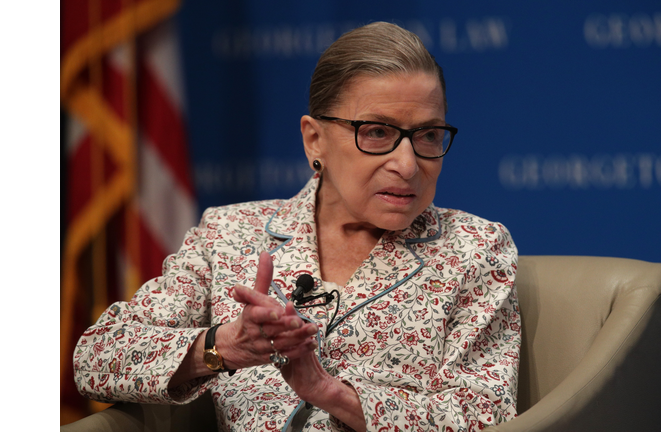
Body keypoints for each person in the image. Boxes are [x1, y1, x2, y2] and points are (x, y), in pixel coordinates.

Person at [74, 21, 521, 432]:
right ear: (315, 139)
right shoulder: (230, 233)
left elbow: (486, 413)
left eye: (427, 135)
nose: (407, 165)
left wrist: (332, 394)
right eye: (378, 133)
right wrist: (222, 347)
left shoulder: (474, 248)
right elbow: (96, 359)